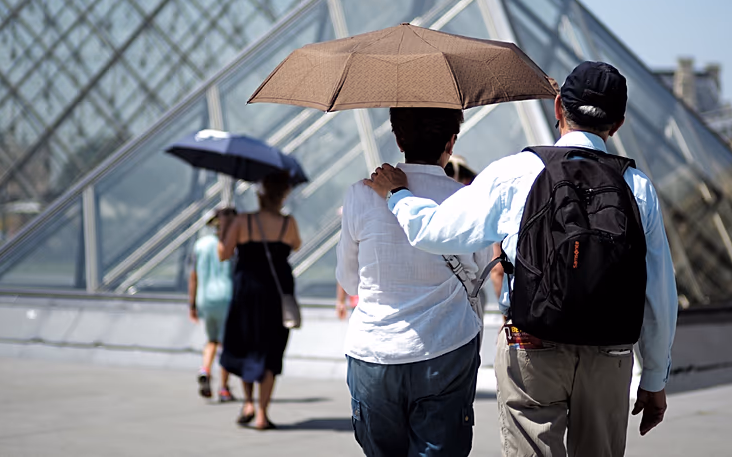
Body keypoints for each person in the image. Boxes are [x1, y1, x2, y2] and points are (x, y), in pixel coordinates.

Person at [368, 61, 678, 457]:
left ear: (558, 108)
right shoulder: (638, 188)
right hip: (609, 354)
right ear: (616, 124)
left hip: (531, 347)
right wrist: (653, 378)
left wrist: (398, 195)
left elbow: (436, 232)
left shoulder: (517, 172)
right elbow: (660, 296)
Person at [338, 108, 491, 457]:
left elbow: (349, 282)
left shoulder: (360, 195)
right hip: (447, 346)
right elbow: (479, 273)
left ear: (398, 138)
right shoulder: (466, 199)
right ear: (451, 143)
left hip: (374, 353)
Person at [218, 171, 302, 431]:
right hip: (276, 295)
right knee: (270, 351)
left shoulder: (244, 221)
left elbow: (224, 253)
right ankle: (263, 414)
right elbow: (295, 245)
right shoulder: (289, 223)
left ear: (260, 194)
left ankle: (248, 403)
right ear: (282, 196)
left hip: (247, 292)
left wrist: (225, 227)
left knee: (245, 346)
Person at [190, 207, 237, 401]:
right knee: (227, 344)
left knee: (211, 340)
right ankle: (224, 387)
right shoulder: (231, 246)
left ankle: (205, 369)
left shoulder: (200, 245)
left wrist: (191, 304)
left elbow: (193, 276)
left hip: (204, 297)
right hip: (226, 296)